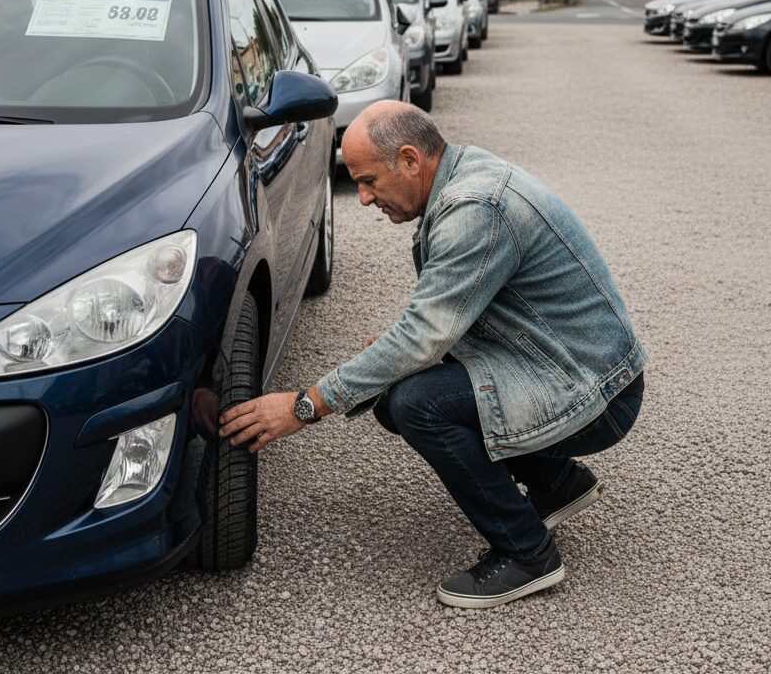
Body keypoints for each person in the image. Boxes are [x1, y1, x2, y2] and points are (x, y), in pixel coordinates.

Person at [219, 101, 647, 609]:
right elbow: (445, 317)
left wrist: (304, 405)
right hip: (561, 365)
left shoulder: (475, 209)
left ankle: (528, 553)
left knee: (416, 403)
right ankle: (556, 483)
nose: (362, 198)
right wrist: (381, 362)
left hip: (595, 392)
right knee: (388, 385)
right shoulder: (460, 173)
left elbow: (423, 337)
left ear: (409, 159)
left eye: (368, 181)